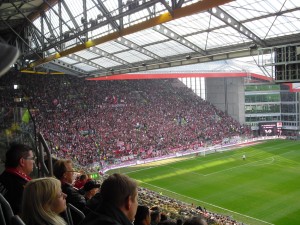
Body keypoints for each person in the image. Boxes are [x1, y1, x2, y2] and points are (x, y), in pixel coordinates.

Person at [0, 143, 35, 214]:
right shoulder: (23, 189)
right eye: (32, 158)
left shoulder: (3, 177)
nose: (34, 162)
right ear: (22, 161)